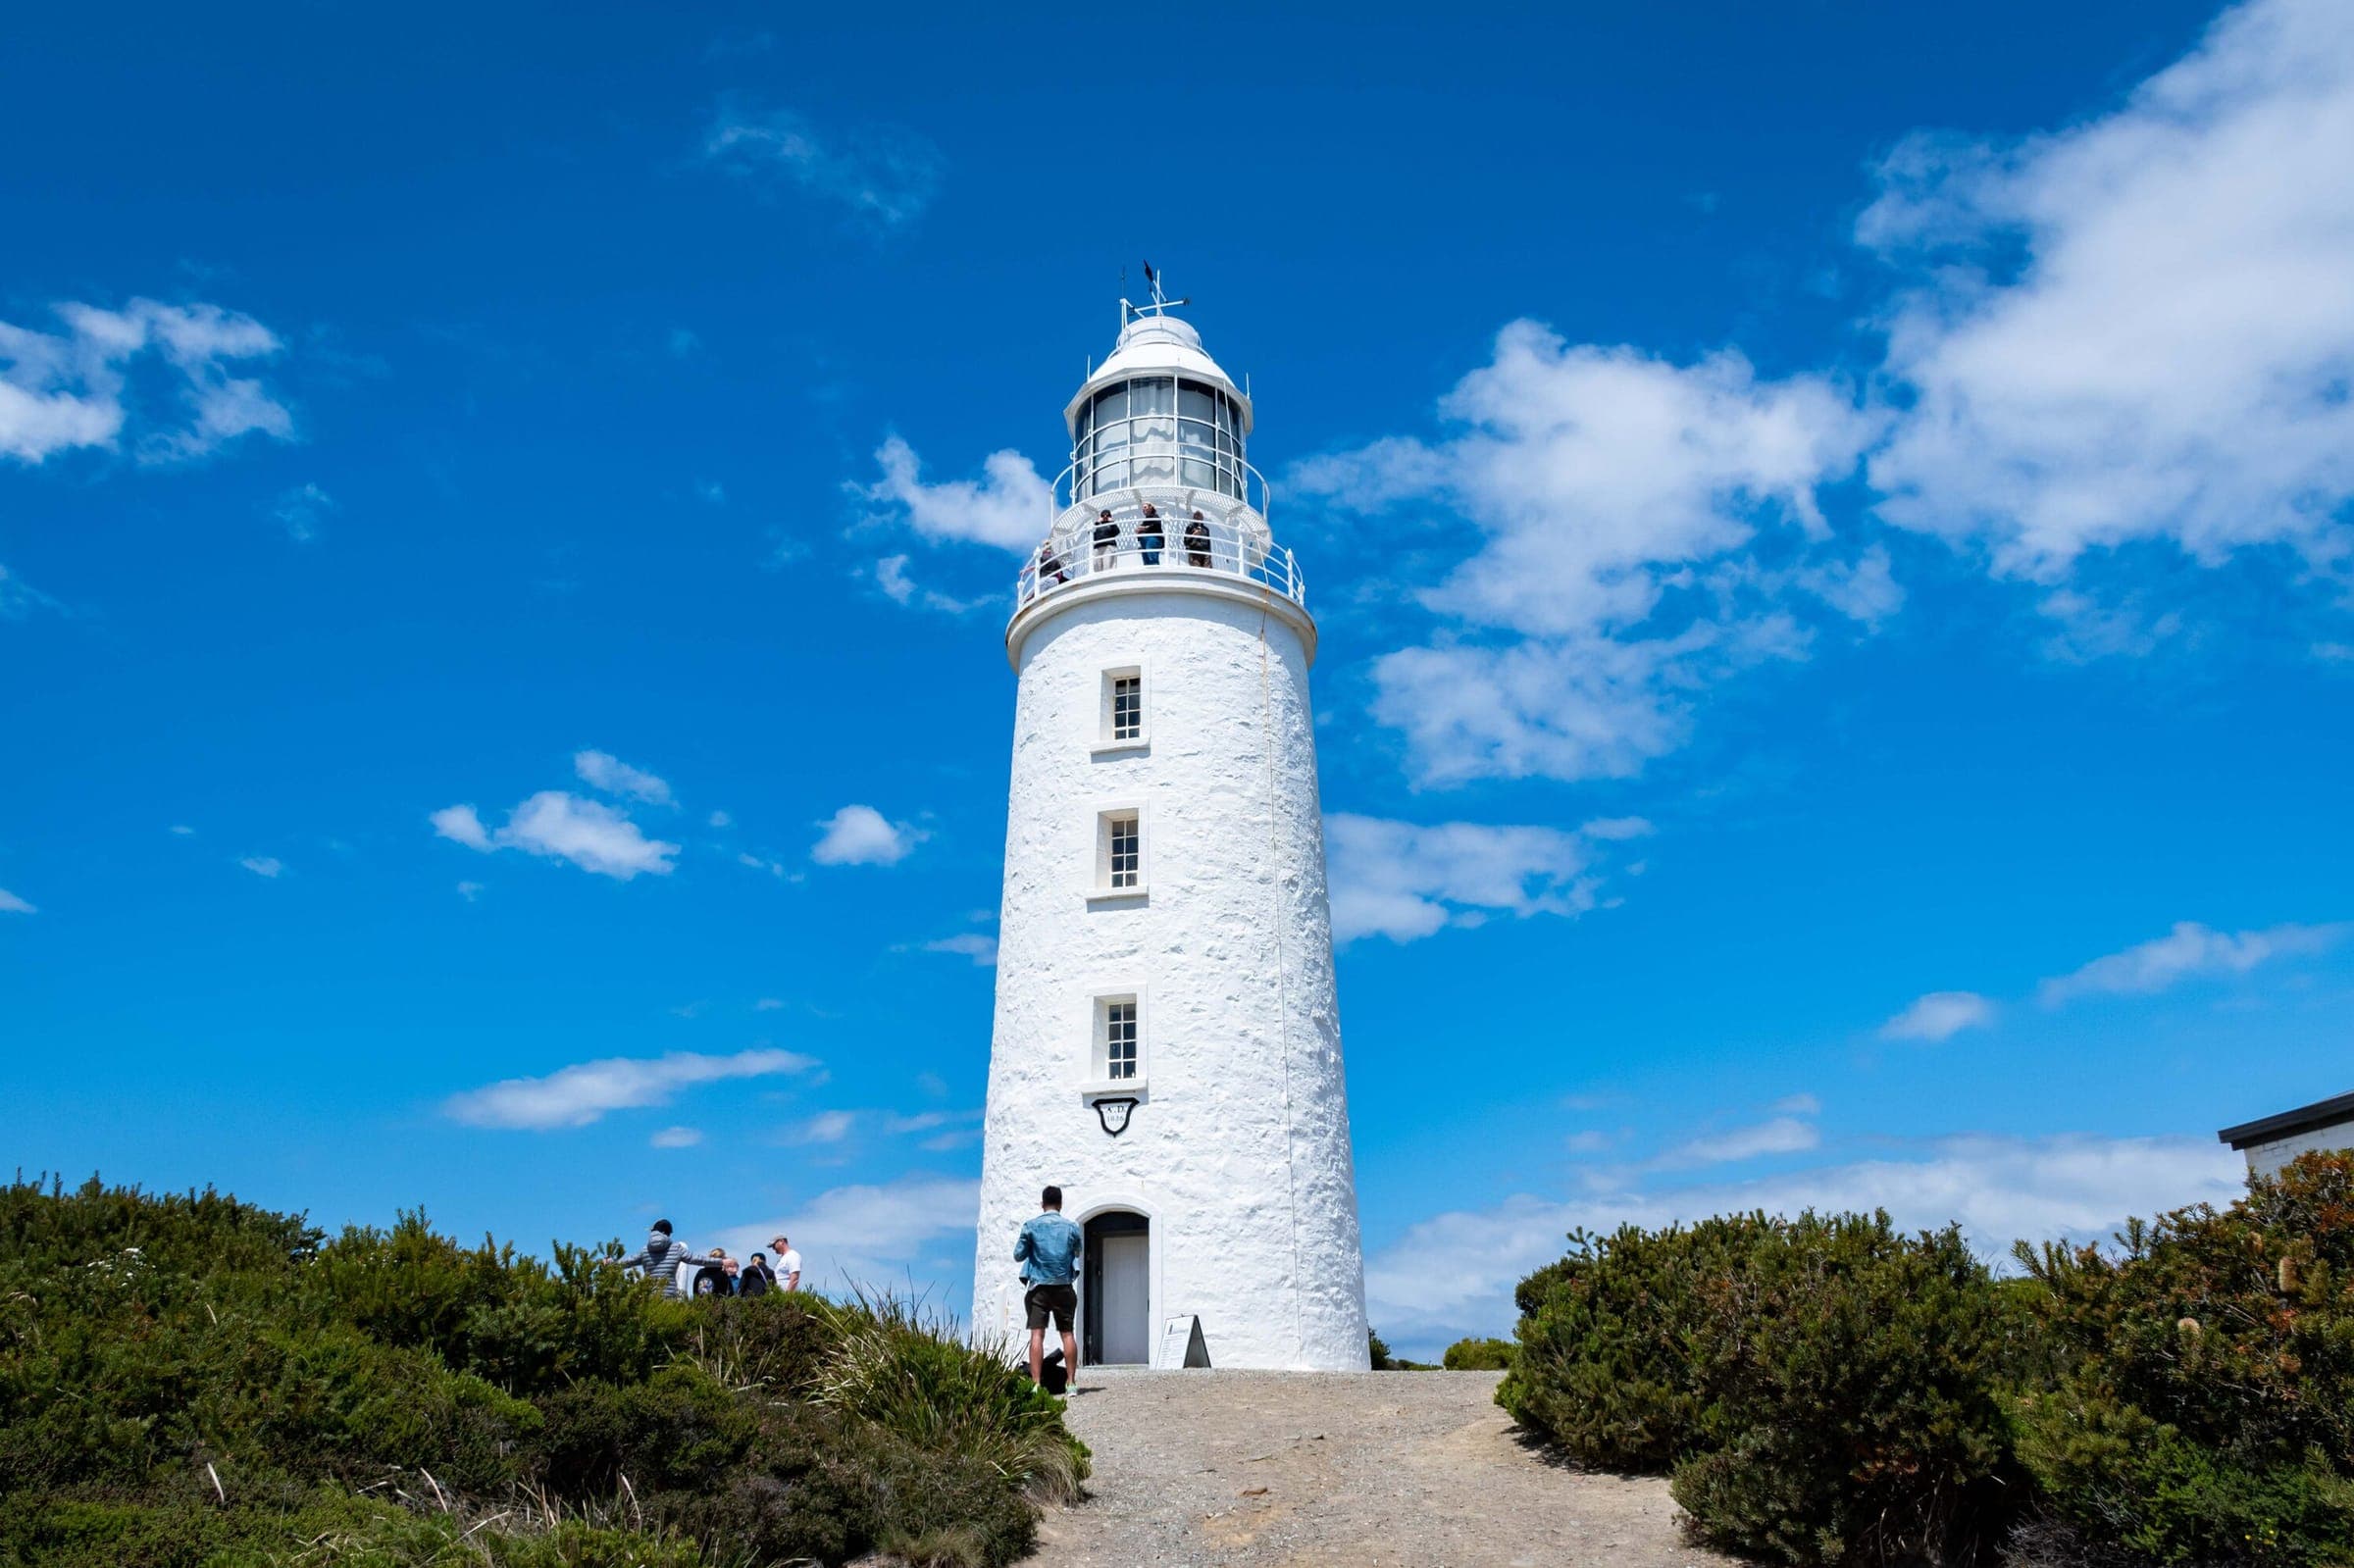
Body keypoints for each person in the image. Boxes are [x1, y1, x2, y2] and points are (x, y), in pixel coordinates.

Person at [1014, 1186, 1083, 1389]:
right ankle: (1071, 1383)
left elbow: (1018, 1254)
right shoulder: (1071, 1227)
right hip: (1063, 1287)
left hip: (1038, 1288)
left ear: (1042, 1204)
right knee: (1067, 1334)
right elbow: (1077, 1251)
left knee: (1037, 1334)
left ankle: (1035, 1384)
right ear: (1061, 1204)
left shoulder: (1031, 1226)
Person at [609, 1219, 712, 1300]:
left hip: (650, 1297)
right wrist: (721, 1262)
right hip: (670, 1298)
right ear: (666, 1233)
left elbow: (627, 1262)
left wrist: (610, 1263)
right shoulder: (677, 1248)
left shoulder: (645, 1250)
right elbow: (697, 1259)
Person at [1092, 509, 1119, 573]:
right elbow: (1091, 534)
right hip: (1098, 547)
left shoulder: (1111, 525)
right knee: (1096, 565)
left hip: (1108, 546)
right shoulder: (1098, 525)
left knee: (1107, 565)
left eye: (1107, 515)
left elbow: (1117, 532)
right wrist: (1097, 523)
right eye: (1103, 515)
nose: (1105, 516)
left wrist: (1112, 522)